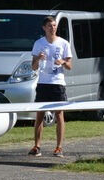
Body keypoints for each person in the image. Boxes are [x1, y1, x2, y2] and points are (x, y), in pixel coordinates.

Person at [28, 16, 72, 157]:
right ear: (44, 28)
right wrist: (38, 59)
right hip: (43, 83)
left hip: (58, 83)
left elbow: (70, 66)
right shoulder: (38, 43)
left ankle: (59, 147)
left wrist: (63, 62)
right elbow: (33, 67)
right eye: (49, 26)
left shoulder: (64, 43)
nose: (52, 28)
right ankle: (37, 146)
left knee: (59, 114)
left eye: (54, 25)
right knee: (39, 115)